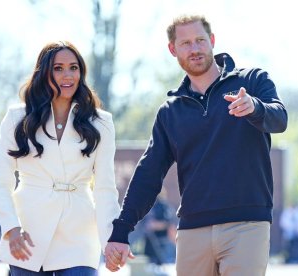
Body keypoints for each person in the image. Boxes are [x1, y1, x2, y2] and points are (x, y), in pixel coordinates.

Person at [105, 14, 288, 276]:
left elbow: (279, 118)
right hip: (192, 230)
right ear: (173, 49)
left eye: (200, 40)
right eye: (186, 43)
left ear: (212, 41)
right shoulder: (171, 111)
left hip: (246, 224)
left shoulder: (252, 81)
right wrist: (121, 230)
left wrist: (255, 108)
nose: (195, 49)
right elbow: (148, 174)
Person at [0, 41, 120, 275]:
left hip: (79, 234)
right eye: (58, 68)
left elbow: (105, 188)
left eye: (73, 67)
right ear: (44, 73)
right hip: (28, 234)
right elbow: (0, 180)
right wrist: (11, 228)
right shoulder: (17, 118)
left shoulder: (101, 123)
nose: (67, 75)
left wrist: (111, 238)